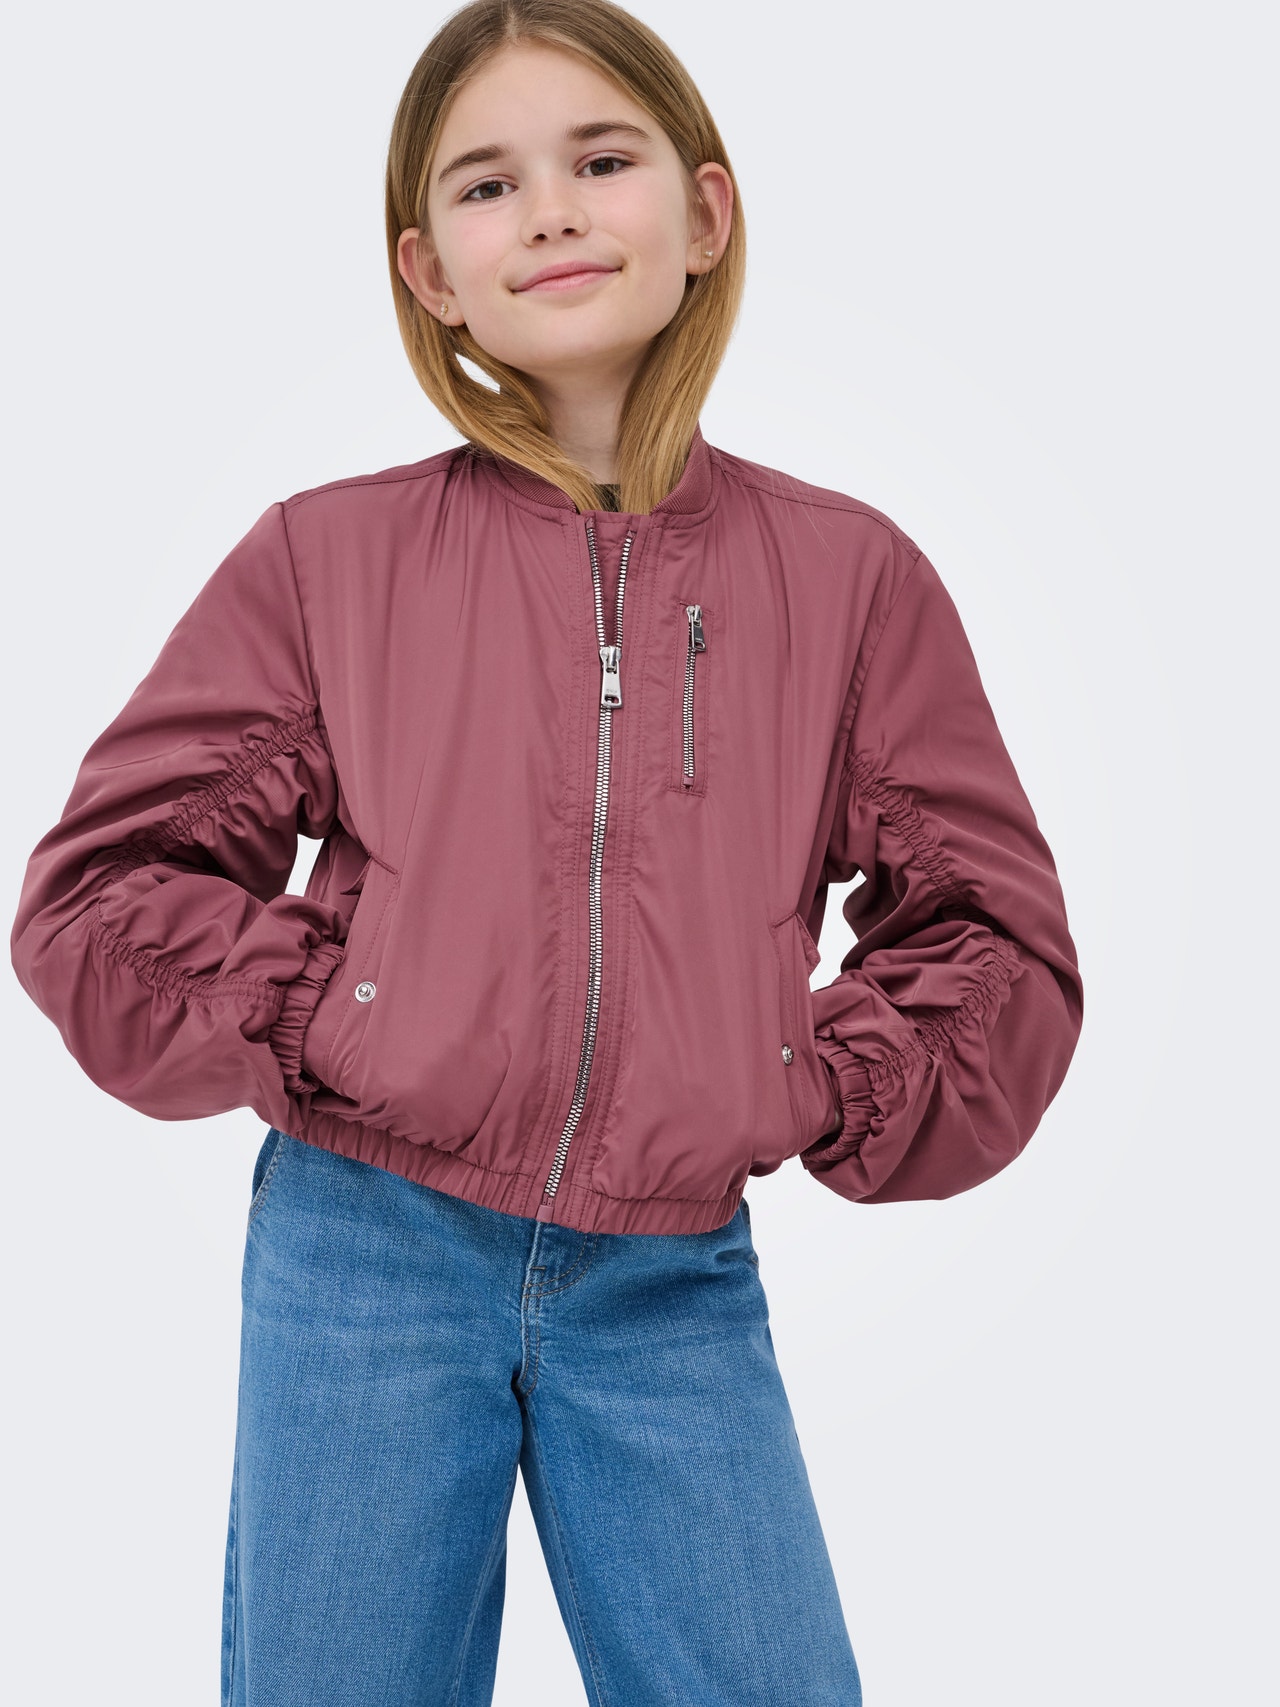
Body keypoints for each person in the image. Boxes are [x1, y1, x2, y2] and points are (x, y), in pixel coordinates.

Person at [8, 1, 1084, 1702]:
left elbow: (995, 940)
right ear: (431, 270)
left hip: (672, 1280)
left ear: (704, 213)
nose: (555, 213)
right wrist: (332, 1012)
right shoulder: (330, 561)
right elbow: (99, 892)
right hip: (365, 1250)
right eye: (490, 184)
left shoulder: (850, 579)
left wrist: (810, 1074)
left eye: (601, 160)